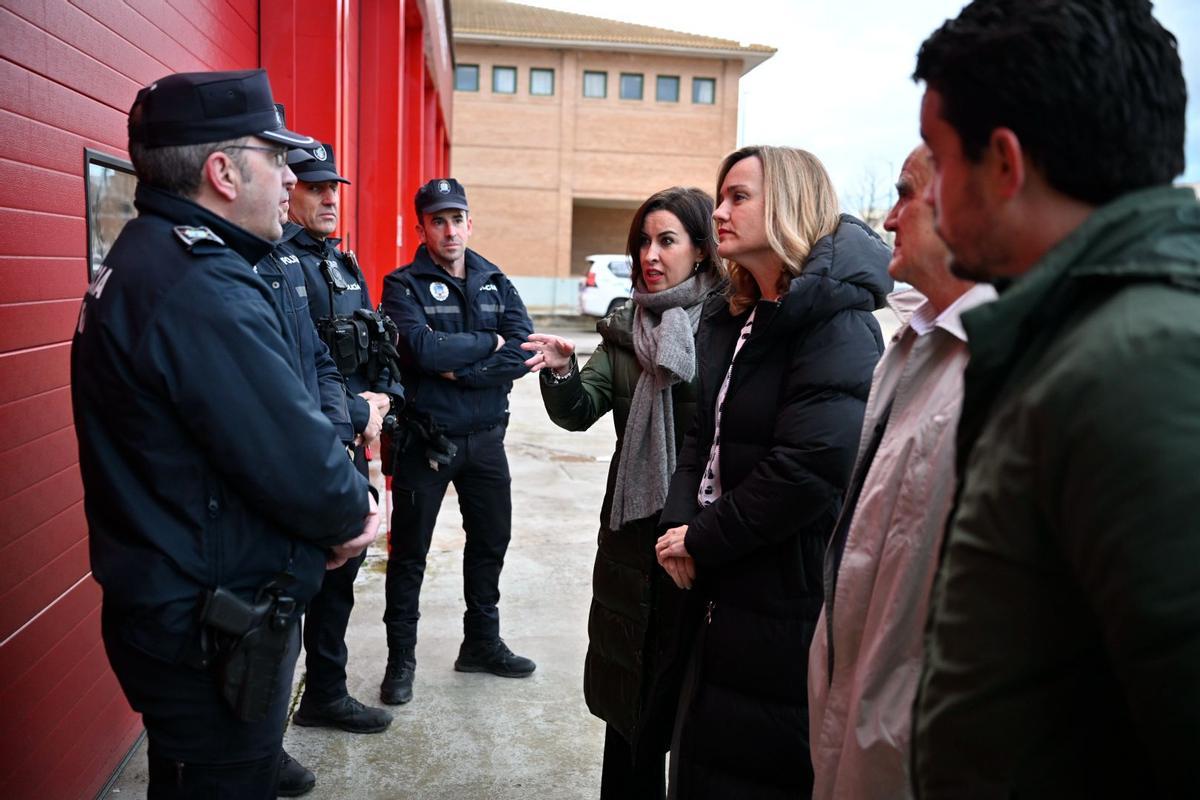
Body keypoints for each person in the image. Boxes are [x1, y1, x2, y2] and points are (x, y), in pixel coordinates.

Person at [909, 2, 1200, 796]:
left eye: (937, 159)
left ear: (1003, 163)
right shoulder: (1084, 340)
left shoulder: (1143, 365)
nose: (928, 196)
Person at [71, 69, 378, 799]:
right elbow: (302, 465)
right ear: (222, 172)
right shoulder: (199, 284)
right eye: (276, 159)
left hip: (188, 614)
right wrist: (351, 512)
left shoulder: (159, 257)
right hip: (209, 630)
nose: (289, 178)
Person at [655, 146, 891, 799]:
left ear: (788, 204)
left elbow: (810, 469)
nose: (720, 212)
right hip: (718, 583)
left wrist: (703, 538)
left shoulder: (838, 323)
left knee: (756, 763)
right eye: (720, 196)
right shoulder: (730, 313)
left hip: (783, 593)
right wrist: (680, 521)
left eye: (738, 197)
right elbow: (701, 434)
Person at [805, 145, 995, 800]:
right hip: (852, 736)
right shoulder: (907, 347)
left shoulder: (1009, 369)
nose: (887, 219)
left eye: (906, 193)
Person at [522, 187, 721, 798]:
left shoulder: (728, 325)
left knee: (690, 701)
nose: (651, 254)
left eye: (667, 240)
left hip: (701, 539)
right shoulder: (623, 331)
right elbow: (579, 411)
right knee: (629, 696)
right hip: (632, 538)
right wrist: (561, 372)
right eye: (644, 240)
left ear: (700, 248)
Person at [378, 178, 535, 706]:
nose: (450, 229)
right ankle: (401, 660)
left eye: (458, 218)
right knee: (410, 555)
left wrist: (463, 370)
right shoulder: (401, 285)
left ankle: (481, 643)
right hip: (429, 441)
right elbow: (420, 350)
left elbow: (524, 349)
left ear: (471, 222)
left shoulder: (496, 280)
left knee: (491, 542)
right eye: (438, 220)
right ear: (421, 226)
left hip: (487, 440)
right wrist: (485, 345)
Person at [271, 141, 399, 740]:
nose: (328, 198)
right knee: (294, 585)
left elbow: (375, 344)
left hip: (353, 435)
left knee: (341, 579)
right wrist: (355, 411)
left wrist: (382, 400)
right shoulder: (280, 260)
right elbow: (294, 369)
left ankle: (325, 693)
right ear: (287, 191)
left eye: (333, 188)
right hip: (312, 439)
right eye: (314, 186)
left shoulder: (340, 262)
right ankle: (268, 726)